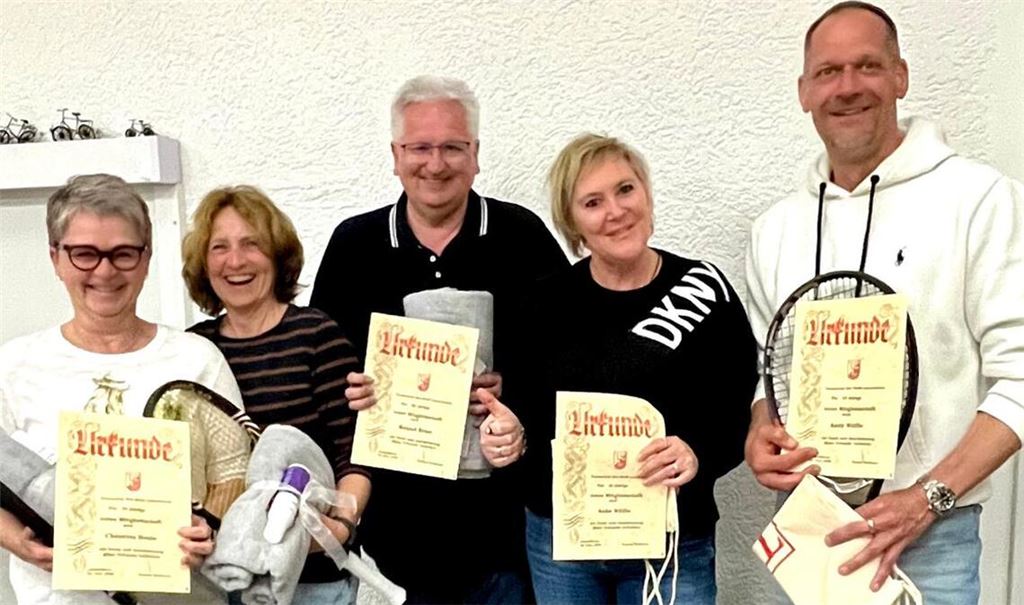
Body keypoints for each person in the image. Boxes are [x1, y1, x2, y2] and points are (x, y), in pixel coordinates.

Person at [743, 3, 1024, 603]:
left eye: (867, 66)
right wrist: (760, 428)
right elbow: (766, 373)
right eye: (828, 72)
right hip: (808, 529)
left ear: (900, 76)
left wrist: (926, 500)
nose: (847, 87)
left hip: (932, 541)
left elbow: (1021, 376)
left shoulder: (980, 200)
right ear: (803, 92)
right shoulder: (776, 228)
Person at [309, 75, 569, 603]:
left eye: (452, 147)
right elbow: (324, 373)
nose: (435, 163)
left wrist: (512, 393)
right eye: (419, 147)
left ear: (476, 154)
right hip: (393, 533)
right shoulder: (354, 245)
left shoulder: (524, 237)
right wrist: (353, 389)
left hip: (506, 536)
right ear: (395, 154)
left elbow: (571, 360)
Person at [487, 133, 757, 604]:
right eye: (592, 202)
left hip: (673, 540)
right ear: (573, 223)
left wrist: (699, 454)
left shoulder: (706, 291)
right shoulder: (539, 305)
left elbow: (741, 407)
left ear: (647, 194)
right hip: (562, 544)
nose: (615, 211)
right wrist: (510, 438)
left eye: (626, 190)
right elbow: (520, 416)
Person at [0, 174, 246, 605]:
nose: (105, 271)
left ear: (147, 258)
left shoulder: (197, 359)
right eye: (84, 254)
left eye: (123, 254)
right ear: (56, 258)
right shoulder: (14, 365)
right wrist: (16, 541)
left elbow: (233, 477)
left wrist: (211, 526)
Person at [182, 185, 371, 604]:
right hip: (219, 575)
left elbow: (355, 452)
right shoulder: (194, 350)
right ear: (203, 263)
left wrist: (338, 527)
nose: (236, 261)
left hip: (310, 576)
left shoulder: (316, 335)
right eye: (220, 247)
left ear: (276, 254)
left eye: (252, 244)